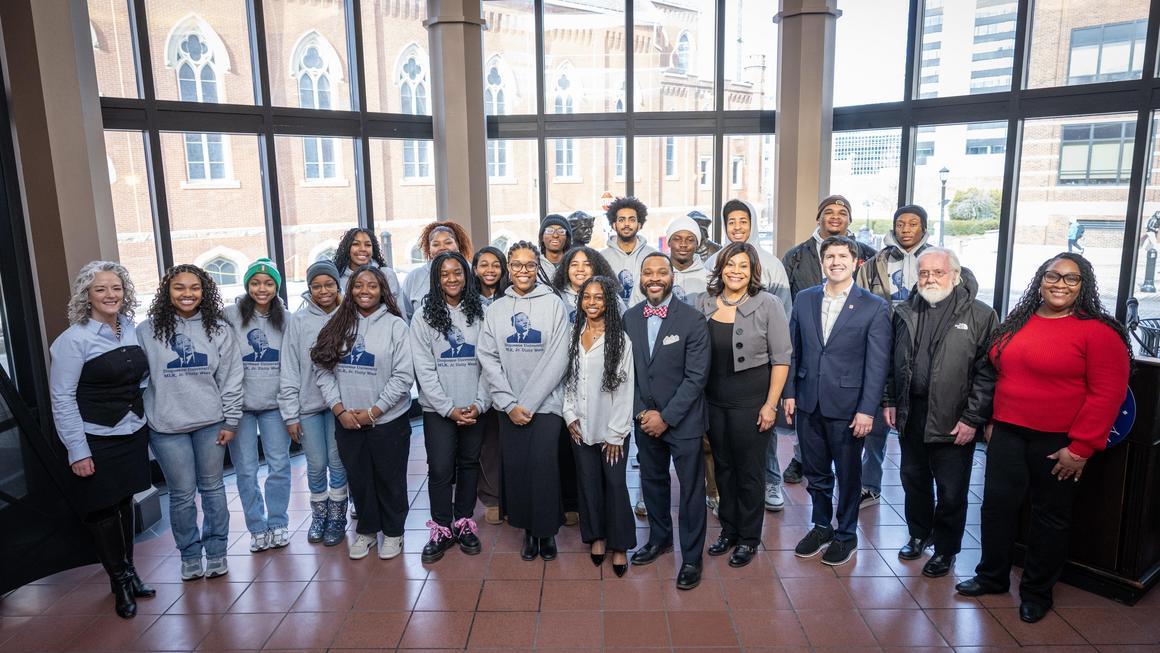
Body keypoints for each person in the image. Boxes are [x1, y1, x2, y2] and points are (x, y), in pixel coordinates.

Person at [956, 253, 1131, 624]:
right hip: (1006, 433)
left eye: (1071, 279)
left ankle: (1037, 592)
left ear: (1084, 286)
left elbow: (1108, 395)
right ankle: (992, 577)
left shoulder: (1098, 332)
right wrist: (992, 421)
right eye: (1053, 276)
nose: (1060, 284)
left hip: (1059, 443)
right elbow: (998, 374)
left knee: (1049, 518)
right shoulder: (1017, 323)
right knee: (996, 508)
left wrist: (1081, 448)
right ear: (1040, 279)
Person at [884, 248, 997, 578]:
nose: (930, 278)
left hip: (955, 418)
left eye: (938, 272)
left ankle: (945, 549)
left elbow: (988, 372)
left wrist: (973, 418)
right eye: (923, 273)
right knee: (913, 481)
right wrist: (890, 400)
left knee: (951, 491)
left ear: (955, 276)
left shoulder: (980, 315)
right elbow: (893, 363)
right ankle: (919, 534)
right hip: (912, 413)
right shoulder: (904, 311)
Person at [50, 262, 154, 618]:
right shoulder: (73, 340)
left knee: (124, 501)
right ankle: (120, 583)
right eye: (101, 289)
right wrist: (77, 450)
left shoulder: (129, 328)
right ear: (87, 295)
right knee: (102, 509)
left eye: (117, 288)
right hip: (96, 436)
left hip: (132, 431)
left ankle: (129, 572)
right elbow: (61, 398)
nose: (111, 295)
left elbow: (139, 377)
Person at [784, 236, 890, 567]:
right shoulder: (804, 299)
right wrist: (789, 393)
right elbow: (792, 349)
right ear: (822, 261)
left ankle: (846, 533)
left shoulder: (873, 306)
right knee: (815, 472)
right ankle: (820, 526)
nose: (835, 262)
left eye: (842, 256)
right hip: (808, 401)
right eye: (829, 256)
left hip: (849, 407)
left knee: (847, 474)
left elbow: (877, 364)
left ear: (855, 261)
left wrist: (866, 410)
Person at [137, 264, 242, 581]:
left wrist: (231, 420)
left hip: (211, 422)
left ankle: (217, 551)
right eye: (179, 287)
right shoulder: (147, 330)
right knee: (181, 494)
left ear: (204, 292)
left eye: (194, 288)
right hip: (166, 427)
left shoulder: (218, 330)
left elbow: (232, 379)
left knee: (212, 489)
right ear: (167, 291)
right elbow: (136, 377)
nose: (187, 294)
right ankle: (190, 555)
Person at [696, 242, 791, 568]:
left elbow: (781, 359)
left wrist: (770, 405)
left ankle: (749, 538)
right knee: (722, 468)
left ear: (752, 272)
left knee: (749, 472)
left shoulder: (769, 304)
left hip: (752, 402)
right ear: (720, 268)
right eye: (730, 264)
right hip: (714, 402)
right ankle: (730, 530)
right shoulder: (704, 302)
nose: (735, 271)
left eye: (743, 266)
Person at [312, 266, 414, 560]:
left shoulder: (396, 326)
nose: (365, 291)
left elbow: (403, 376)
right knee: (359, 478)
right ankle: (367, 531)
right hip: (347, 421)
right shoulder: (336, 324)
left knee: (390, 479)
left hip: (388, 420)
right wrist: (339, 409)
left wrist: (375, 410)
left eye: (372, 285)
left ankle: (394, 533)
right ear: (350, 290)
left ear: (382, 290)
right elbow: (323, 370)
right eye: (359, 285)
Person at [777, 195, 876, 494]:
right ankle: (801, 459)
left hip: (848, 352)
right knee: (808, 427)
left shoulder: (869, 255)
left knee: (847, 459)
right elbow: (788, 305)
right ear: (818, 217)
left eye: (842, 212)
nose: (835, 217)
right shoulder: (796, 256)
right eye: (828, 212)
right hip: (808, 343)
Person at [478, 241, 571, 561]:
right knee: (517, 468)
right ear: (508, 268)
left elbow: (559, 358)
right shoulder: (497, 309)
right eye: (516, 265)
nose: (523, 271)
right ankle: (528, 532)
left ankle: (547, 533)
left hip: (545, 404)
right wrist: (508, 403)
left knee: (543, 466)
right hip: (509, 405)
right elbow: (487, 357)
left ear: (538, 268)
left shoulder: (553, 304)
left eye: (529, 265)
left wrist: (527, 404)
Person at [623, 253, 710, 590]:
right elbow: (623, 373)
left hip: (683, 421)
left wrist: (667, 417)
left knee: (690, 490)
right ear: (641, 278)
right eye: (648, 273)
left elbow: (696, 376)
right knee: (653, 482)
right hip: (645, 419)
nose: (655, 278)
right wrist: (643, 413)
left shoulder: (692, 319)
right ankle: (659, 539)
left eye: (662, 272)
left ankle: (691, 557)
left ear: (673, 276)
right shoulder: (629, 318)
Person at [410, 251, 490, 563]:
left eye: (458, 272)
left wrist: (480, 403)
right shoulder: (424, 316)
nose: (452, 279)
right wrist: (447, 408)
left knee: (469, 464)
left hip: (474, 406)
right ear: (436, 279)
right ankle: (441, 526)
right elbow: (424, 368)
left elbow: (490, 363)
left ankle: (464, 522)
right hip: (438, 410)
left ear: (467, 275)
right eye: (445, 274)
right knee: (441, 468)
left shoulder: (481, 312)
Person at [853, 204, 932, 508]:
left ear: (923, 228)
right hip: (882, 347)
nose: (906, 229)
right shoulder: (874, 264)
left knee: (918, 422)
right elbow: (858, 301)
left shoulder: (937, 260)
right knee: (875, 423)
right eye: (901, 224)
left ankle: (922, 492)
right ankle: (869, 484)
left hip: (921, 349)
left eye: (913, 224)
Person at [562, 275, 636, 577]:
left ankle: (619, 545)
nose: (592, 303)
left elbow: (626, 388)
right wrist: (569, 416)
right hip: (580, 425)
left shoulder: (620, 340)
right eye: (587, 297)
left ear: (609, 302)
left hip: (611, 429)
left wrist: (617, 433)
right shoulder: (572, 334)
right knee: (588, 483)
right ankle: (597, 537)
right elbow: (567, 379)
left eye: (599, 298)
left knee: (616, 485)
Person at [224, 259, 293, 553]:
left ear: (276, 286)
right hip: (240, 408)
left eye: (267, 283)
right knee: (246, 471)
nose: (261, 288)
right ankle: (256, 526)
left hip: (274, 406)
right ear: (247, 285)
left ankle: (277, 522)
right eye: (255, 283)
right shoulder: (229, 316)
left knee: (279, 466)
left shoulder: (287, 319)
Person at [278, 260, 348, 547]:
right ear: (309, 289)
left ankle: (337, 516)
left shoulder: (349, 315)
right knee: (316, 464)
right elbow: (290, 367)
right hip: (308, 406)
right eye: (317, 286)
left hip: (341, 406)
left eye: (329, 284)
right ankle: (319, 514)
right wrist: (290, 414)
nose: (323, 291)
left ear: (337, 285)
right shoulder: (298, 321)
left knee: (338, 462)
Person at [472, 246, 509, 525]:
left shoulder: (511, 298)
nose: (490, 270)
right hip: (477, 380)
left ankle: (513, 495)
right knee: (487, 444)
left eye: (496, 264)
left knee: (508, 441)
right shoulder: (467, 301)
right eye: (483, 264)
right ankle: (492, 497)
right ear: (474, 269)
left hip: (508, 379)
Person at [705, 199, 792, 314]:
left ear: (752, 224)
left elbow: (784, 307)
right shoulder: (713, 262)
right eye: (731, 222)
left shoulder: (772, 264)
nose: (737, 227)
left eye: (743, 222)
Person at [401, 221, 473, 317]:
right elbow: (406, 315)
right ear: (429, 250)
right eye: (435, 244)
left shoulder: (472, 271)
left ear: (458, 245)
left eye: (448, 242)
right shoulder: (414, 277)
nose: (442, 247)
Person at [333, 227, 407, 319]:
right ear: (348, 248)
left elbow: (399, 311)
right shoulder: (337, 278)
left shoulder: (387, 275)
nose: (363, 249)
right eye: (356, 244)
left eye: (368, 245)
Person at [602, 197, 658, 307]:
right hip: (612, 319)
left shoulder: (653, 256)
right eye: (621, 220)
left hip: (645, 318)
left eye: (632, 219)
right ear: (614, 225)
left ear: (640, 225)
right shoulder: (602, 257)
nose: (626, 224)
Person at [551, 246, 622, 324]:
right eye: (574, 264)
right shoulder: (555, 298)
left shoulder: (611, 296)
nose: (580, 269)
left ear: (596, 268)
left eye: (587, 264)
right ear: (566, 269)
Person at [666, 215, 709, 303]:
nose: (683, 244)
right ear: (669, 242)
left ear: (697, 244)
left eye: (690, 240)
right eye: (677, 239)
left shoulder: (709, 279)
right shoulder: (654, 275)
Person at [538, 214, 573, 283]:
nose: (555, 235)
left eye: (561, 231)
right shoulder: (534, 264)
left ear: (567, 238)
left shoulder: (574, 264)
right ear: (542, 237)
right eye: (549, 231)